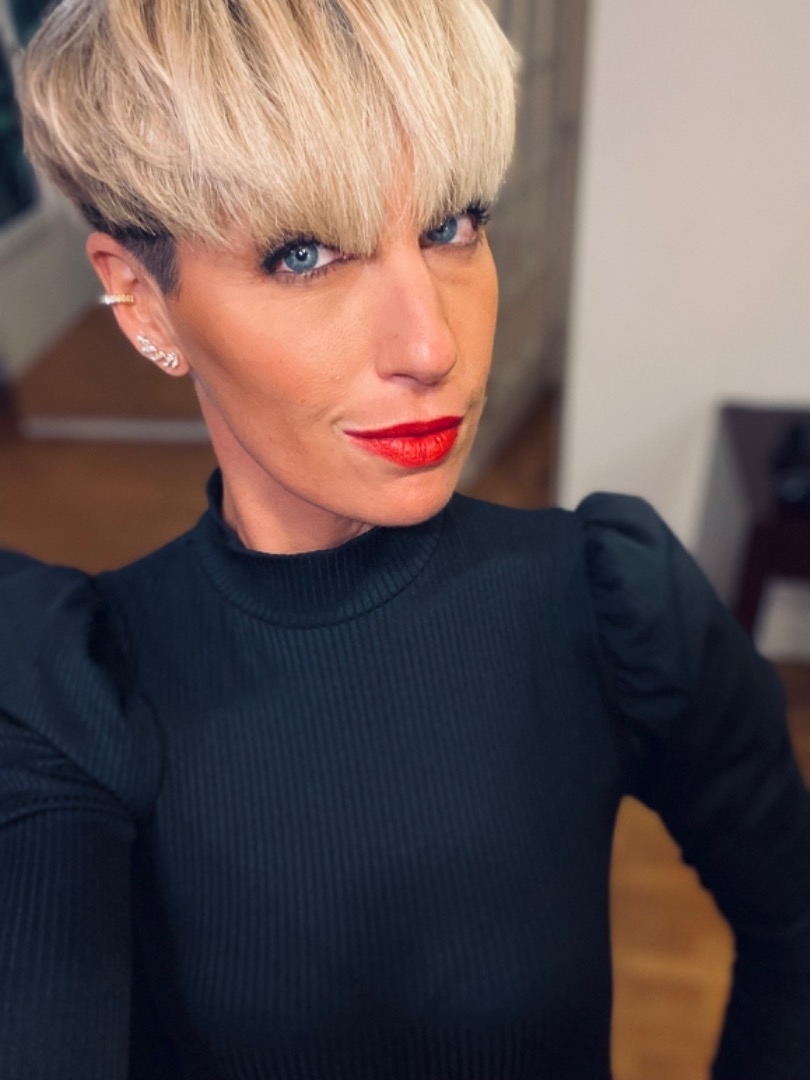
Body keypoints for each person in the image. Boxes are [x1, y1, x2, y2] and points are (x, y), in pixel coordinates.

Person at [2, 1, 809, 1077]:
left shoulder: (611, 606)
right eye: (303, 254)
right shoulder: (75, 693)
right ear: (143, 300)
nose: (431, 345)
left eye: (451, 226)